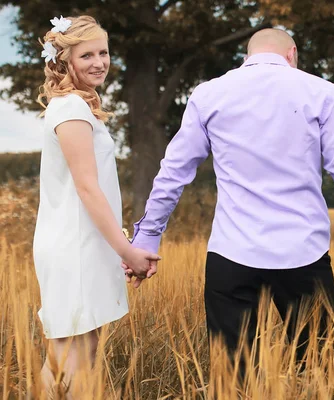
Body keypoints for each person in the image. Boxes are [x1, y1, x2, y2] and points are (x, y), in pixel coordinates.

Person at [127, 28, 334, 379]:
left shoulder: (208, 95)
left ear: (246, 58)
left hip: (231, 254)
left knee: (233, 377)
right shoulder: (319, 92)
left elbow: (173, 172)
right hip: (303, 253)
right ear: (292, 54)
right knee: (319, 373)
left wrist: (146, 239)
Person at [33, 15, 160, 397]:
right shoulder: (71, 109)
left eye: (103, 52)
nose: (99, 62)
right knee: (70, 359)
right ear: (63, 61)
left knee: (73, 356)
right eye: (86, 55)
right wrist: (128, 251)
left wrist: (116, 246)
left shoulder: (75, 107)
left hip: (84, 244)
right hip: (75, 247)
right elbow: (88, 189)